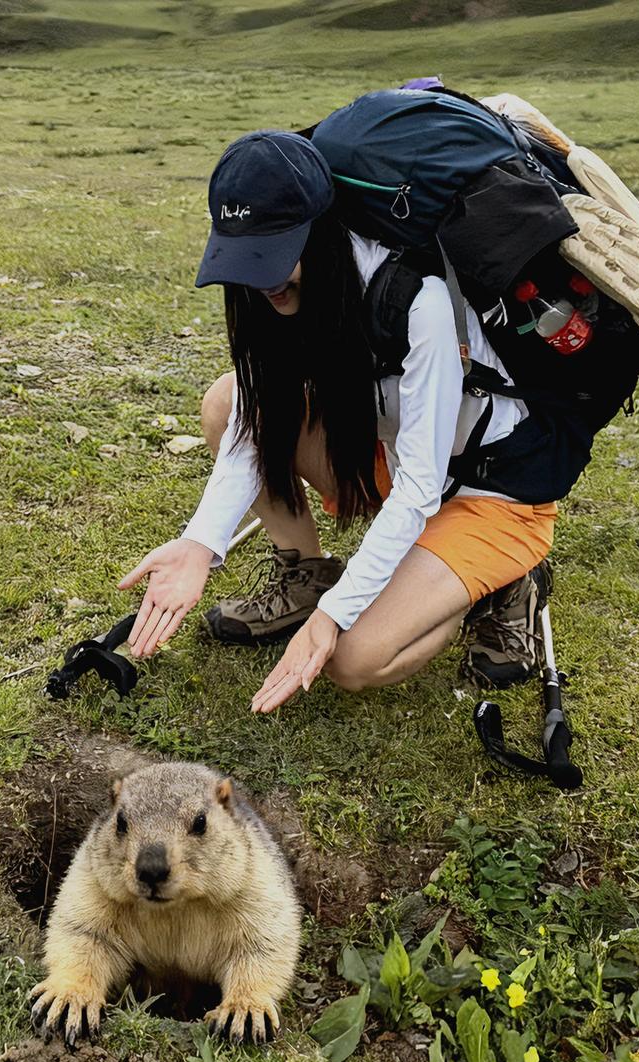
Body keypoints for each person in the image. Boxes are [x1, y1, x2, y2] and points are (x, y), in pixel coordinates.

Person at [117, 130, 555, 713]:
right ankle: (307, 579)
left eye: (275, 258)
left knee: (351, 658)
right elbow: (258, 419)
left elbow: (423, 487)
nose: (262, 282)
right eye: (248, 261)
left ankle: (497, 579)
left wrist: (336, 616)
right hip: (389, 461)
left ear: (321, 231)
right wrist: (201, 543)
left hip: (484, 491)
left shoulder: (416, 299)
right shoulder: (288, 291)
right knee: (229, 402)